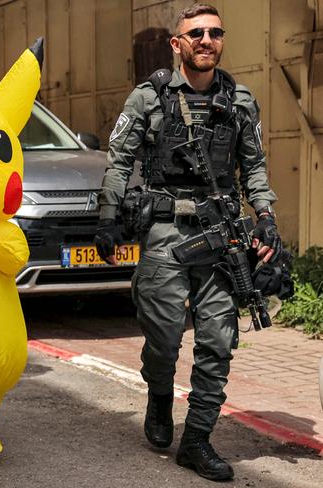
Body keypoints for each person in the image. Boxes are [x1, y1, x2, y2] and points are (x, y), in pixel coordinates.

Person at [95, 3, 281, 482]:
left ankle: (196, 439)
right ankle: (159, 395)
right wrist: (108, 218)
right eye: (195, 33)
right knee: (162, 339)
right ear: (177, 44)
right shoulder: (149, 97)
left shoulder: (239, 100)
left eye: (215, 33)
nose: (206, 40)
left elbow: (254, 167)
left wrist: (265, 218)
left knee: (219, 341)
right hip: (164, 232)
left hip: (221, 234)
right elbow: (119, 162)